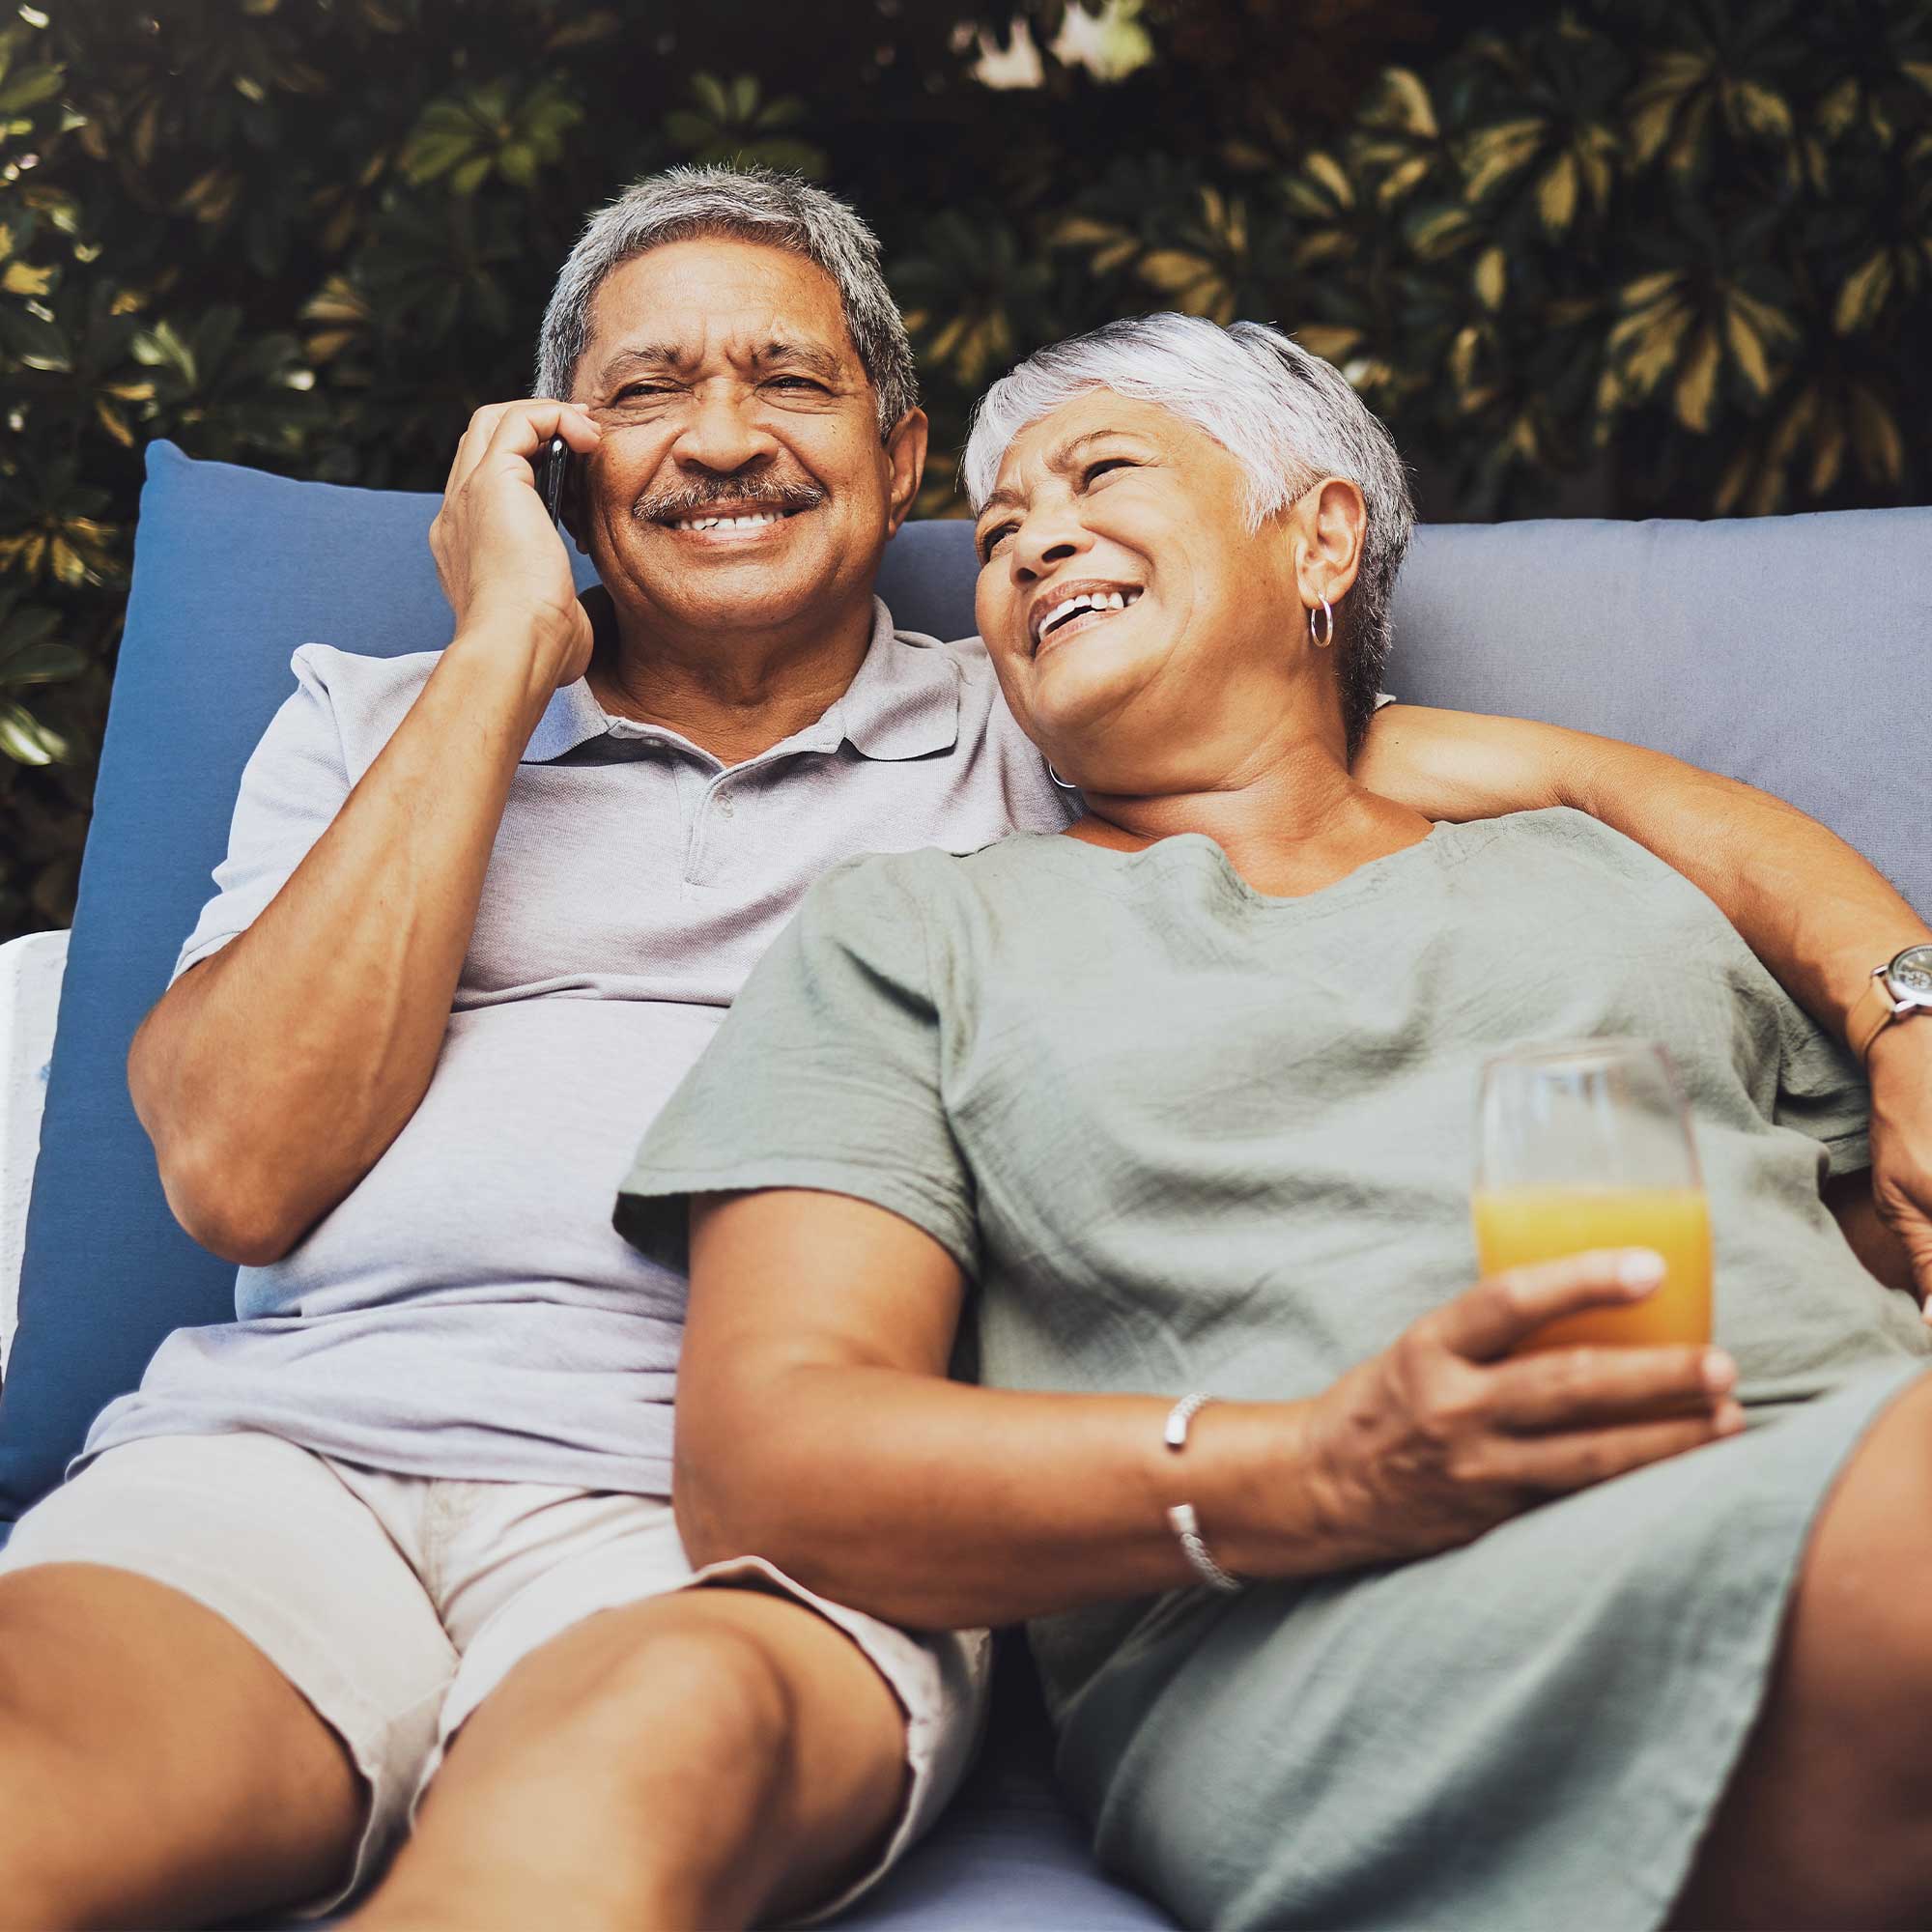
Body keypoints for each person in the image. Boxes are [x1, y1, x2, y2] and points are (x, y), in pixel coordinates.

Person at [0, 163, 1920, 1931]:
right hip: (290, 1460)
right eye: (650, 392)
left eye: (790, 382)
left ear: (894, 452)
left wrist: (1901, 1001)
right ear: (562, 458)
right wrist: (504, 656)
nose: (727, 434)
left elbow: (1415, 779)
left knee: (616, 1779)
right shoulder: (381, 720)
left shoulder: (1035, 718)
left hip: (698, 1555)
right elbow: (239, 1167)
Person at [616, 313, 1932, 1932]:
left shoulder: (1609, 863)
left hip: (1835, 1451)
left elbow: (1868, 1230)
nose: (1034, 541)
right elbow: (766, 1467)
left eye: (1098, 473)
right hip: (1348, 1606)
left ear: (1319, 537)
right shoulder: (919, 937)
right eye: (1002, 529)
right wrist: (1319, 1467)